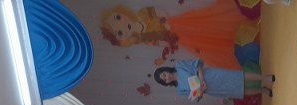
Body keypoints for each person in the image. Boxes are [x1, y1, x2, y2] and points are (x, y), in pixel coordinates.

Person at [100, 5, 258, 69]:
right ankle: (239, 48)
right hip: (179, 37)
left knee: (207, 24)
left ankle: (243, 26)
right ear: (122, 39)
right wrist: (164, 56)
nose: (122, 25)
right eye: (119, 32)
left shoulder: (142, 14)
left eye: (118, 18)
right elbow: (161, 43)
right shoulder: (143, 38)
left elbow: (158, 11)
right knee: (204, 44)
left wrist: (165, 21)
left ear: (123, 13)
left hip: (179, 24)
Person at [154, 60, 273, 100]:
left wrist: (202, 80)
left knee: (238, 76)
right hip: (212, 89)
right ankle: (263, 90)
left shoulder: (180, 66)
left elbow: (198, 64)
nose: (167, 77)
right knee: (239, 91)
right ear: (166, 83)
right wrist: (200, 92)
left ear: (165, 70)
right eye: (164, 80)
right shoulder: (180, 90)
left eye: (164, 75)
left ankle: (265, 77)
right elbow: (196, 96)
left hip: (211, 75)